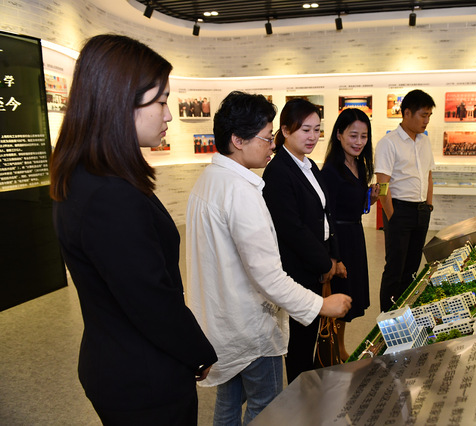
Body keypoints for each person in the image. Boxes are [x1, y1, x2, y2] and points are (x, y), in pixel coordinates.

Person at [49, 34, 217, 425]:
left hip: (119, 363)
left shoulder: (86, 177)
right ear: (121, 101)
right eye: (161, 101)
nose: (169, 115)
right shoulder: (109, 195)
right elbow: (150, 298)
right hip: (143, 379)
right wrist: (198, 352)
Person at [185, 91, 351, 425]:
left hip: (223, 325)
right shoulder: (240, 192)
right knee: (266, 409)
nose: (271, 145)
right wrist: (321, 305)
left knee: (229, 403)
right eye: (265, 137)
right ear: (238, 140)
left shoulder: (209, 180)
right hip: (251, 330)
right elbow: (267, 275)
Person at [262, 98, 346, 384]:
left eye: (317, 130)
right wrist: (324, 263)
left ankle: (311, 391)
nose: (312, 137)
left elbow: (326, 214)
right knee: (299, 341)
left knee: (312, 336)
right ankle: (300, 395)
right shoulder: (278, 171)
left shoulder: (308, 165)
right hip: (297, 267)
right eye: (305, 130)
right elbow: (291, 228)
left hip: (317, 261)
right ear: (285, 130)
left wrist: (333, 256)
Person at [321, 108, 379, 361]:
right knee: (337, 295)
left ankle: (339, 348)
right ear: (339, 135)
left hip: (355, 236)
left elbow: (354, 207)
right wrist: (335, 257)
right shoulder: (331, 171)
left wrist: (370, 200)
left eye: (364, 136)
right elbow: (328, 216)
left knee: (348, 298)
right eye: (353, 135)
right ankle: (332, 351)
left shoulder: (359, 165)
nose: (359, 142)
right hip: (339, 239)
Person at [374, 89, 436, 312]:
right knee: (395, 268)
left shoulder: (424, 141)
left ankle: (404, 312)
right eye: (423, 115)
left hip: (421, 211)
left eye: (429, 115)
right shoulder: (388, 143)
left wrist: (428, 206)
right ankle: (387, 317)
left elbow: (428, 175)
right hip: (399, 210)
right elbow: (382, 185)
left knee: (412, 267)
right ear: (407, 113)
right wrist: (392, 218)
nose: (426, 120)